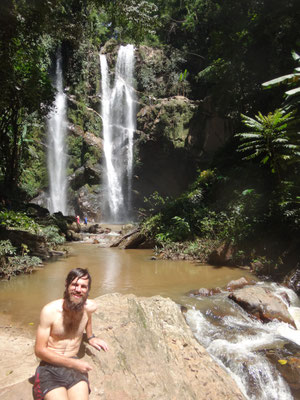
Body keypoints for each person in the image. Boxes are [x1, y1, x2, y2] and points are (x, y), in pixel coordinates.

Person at [33, 268, 108, 400]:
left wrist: (90, 337)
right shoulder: (50, 311)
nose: (78, 290)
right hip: (50, 367)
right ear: (67, 285)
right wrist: (74, 364)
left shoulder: (87, 308)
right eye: (74, 285)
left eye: (83, 286)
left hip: (73, 367)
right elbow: (39, 350)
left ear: (88, 290)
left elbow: (88, 316)